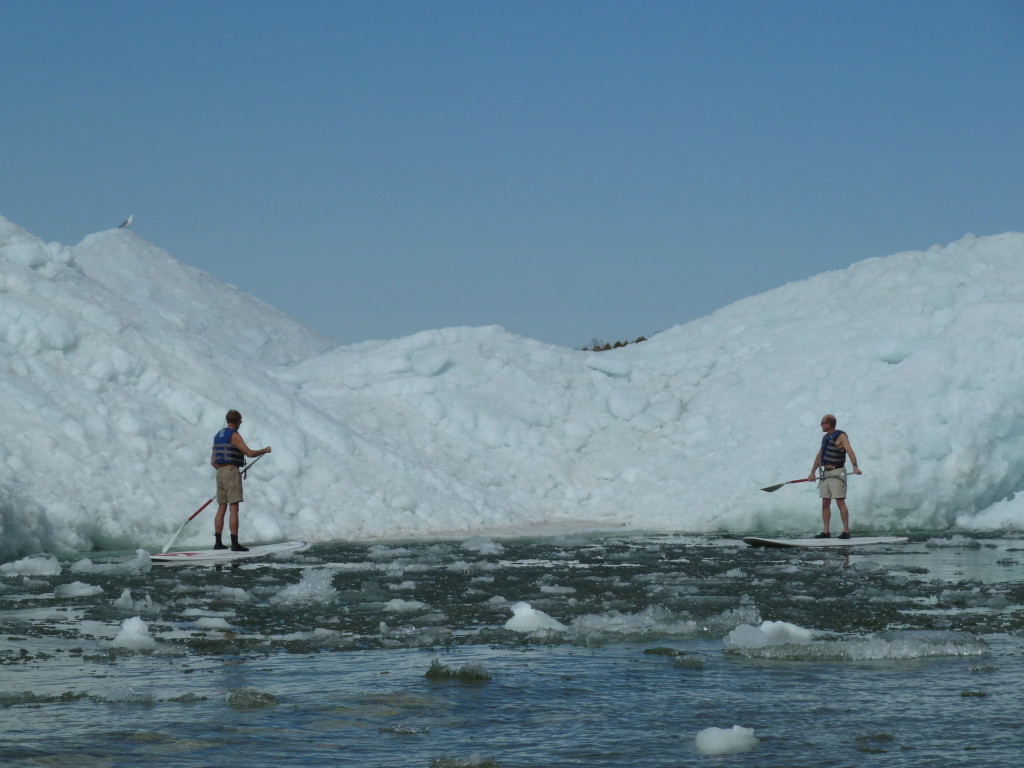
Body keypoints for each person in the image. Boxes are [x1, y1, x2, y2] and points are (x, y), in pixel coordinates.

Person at [210, 410, 271, 551]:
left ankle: (218, 542)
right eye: (241, 421)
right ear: (237, 422)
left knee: (221, 507)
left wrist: (223, 471)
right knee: (234, 508)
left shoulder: (218, 436)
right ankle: (235, 544)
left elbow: (213, 461)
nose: (241, 423)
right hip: (231, 472)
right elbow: (249, 453)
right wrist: (265, 450)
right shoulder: (234, 435)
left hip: (220, 473)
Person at [807, 414, 862, 539]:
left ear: (829, 424)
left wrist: (855, 466)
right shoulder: (825, 438)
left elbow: (850, 451)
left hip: (837, 472)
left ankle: (846, 531)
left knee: (839, 501)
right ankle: (826, 531)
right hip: (825, 474)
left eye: (822, 423)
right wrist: (812, 472)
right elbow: (819, 455)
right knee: (825, 502)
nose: (821, 425)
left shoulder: (841, 436)